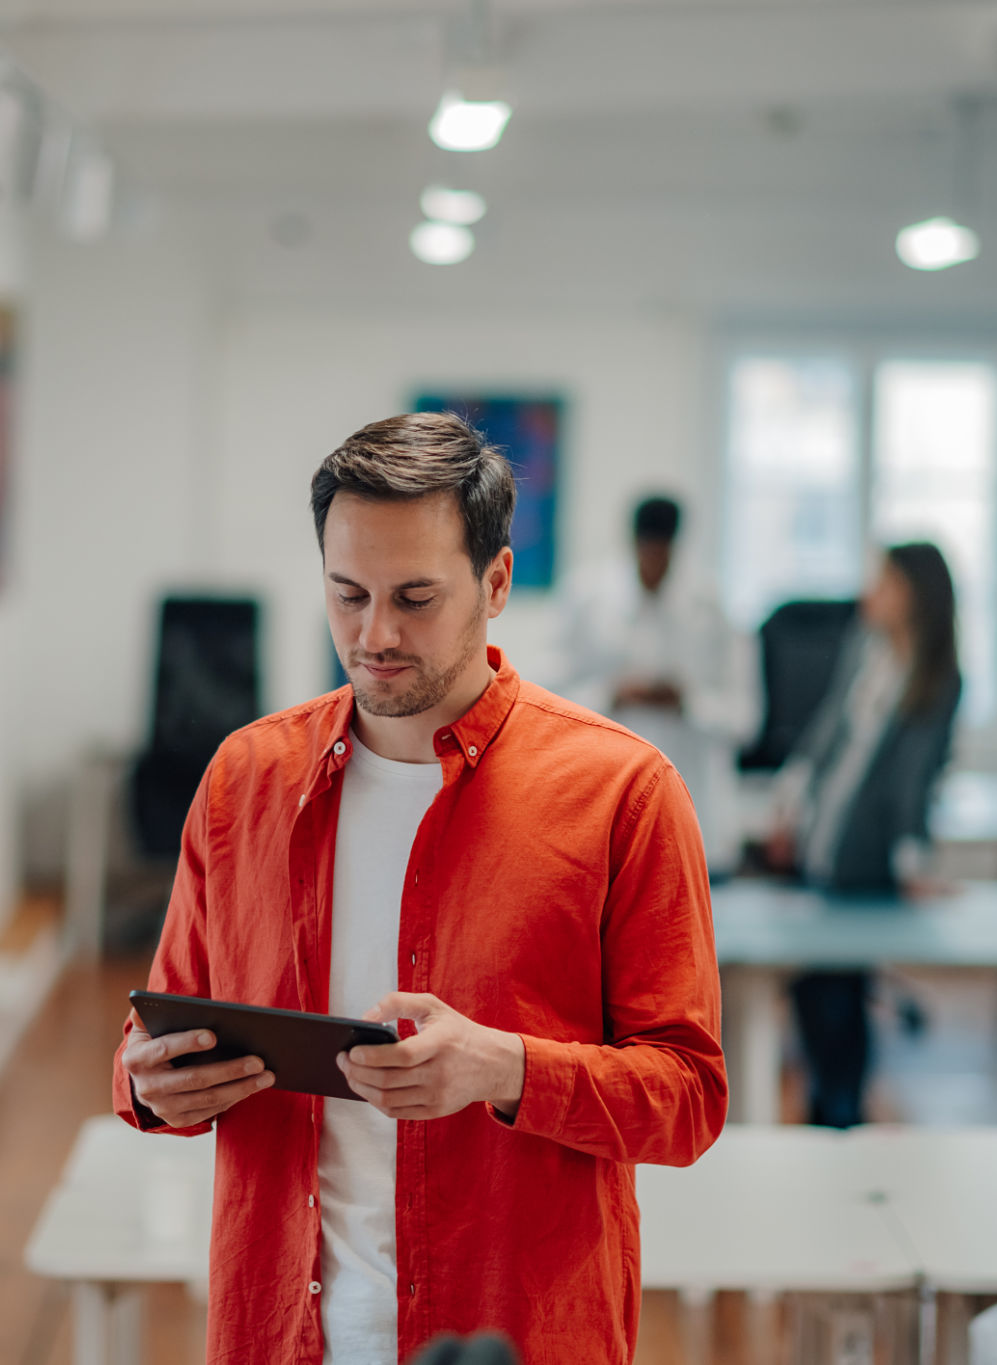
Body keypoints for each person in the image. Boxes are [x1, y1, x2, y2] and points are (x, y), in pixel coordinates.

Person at [112, 412, 728, 1365]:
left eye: (415, 597)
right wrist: (149, 1084)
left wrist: (505, 1067)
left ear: (497, 582)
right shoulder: (245, 780)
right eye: (348, 594)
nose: (375, 634)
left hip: (513, 1337)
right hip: (278, 1334)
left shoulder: (623, 791)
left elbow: (688, 1096)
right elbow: (150, 1039)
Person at [766, 542, 961, 1128]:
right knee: (811, 985)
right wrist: (790, 801)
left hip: (868, 854)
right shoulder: (863, 650)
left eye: (885, 582)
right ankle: (829, 1107)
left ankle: (841, 1112)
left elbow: (914, 783)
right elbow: (827, 731)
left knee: (839, 991)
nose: (870, 593)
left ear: (915, 596)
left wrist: (912, 864)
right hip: (822, 834)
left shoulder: (938, 679)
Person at [554, 495, 758, 877]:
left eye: (662, 552)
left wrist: (686, 703)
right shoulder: (587, 600)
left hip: (697, 817)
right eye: (647, 550)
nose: (653, 561)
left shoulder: (713, 610)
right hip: (603, 811)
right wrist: (613, 695)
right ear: (633, 543)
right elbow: (550, 706)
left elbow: (745, 720)